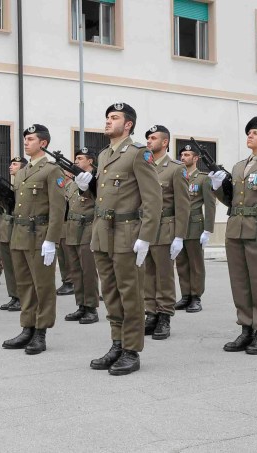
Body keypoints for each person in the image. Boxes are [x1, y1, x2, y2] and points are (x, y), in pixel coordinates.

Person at [75, 103, 161, 375]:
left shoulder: (138, 154)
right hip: (102, 232)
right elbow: (103, 196)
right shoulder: (103, 155)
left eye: (114, 118)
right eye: (107, 117)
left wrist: (146, 237)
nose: (108, 121)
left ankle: (131, 351)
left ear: (128, 125)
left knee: (130, 294)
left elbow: (153, 198)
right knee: (110, 293)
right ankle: (117, 343)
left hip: (127, 234)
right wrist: (85, 189)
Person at [209, 116, 257, 355]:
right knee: (240, 282)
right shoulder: (239, 166)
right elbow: (231, 201)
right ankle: (246, 328)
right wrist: (216, 187)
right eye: (249, 132)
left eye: (256, 133)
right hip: (236, 228)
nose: (250, 136)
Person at [0, 124, 66, 355]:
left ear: (43, 143)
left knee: (42, 286)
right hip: (20, 235)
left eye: (31, 139)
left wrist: (52, 240)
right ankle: (27, 327)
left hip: (40, 234)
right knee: (24, 285)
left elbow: (58, 208)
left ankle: (41, 332)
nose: (26, 142)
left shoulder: (52, 170)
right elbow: (13, 206)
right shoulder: (21, 172)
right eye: (25, 139)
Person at [142, 125, 189, 341]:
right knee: (146, 274)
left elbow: (183, 204)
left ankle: (164, 315)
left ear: (165, 142)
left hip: (165, 227)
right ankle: (150, 312)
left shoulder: (175, 168)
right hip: (144, 227)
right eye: (148, 138)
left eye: (153, 138)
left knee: (163, 274)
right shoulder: (143, 165)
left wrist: (179, 235)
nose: (149, 141)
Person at [174, 143, 216, 313]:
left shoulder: (203, 178)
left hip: (194, 225)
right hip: (178, 226)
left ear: (196, 158)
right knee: (181, 263)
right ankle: (185, 296)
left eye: (187, 155)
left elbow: (210, 204)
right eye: (182, 155)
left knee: (195, 264)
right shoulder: (177, 176)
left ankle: (196, 297)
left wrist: (208, 229)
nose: (183, 158)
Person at [63, 149, 100, 324]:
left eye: (80, 158)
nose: (76, 161)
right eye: (76, 158)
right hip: (72, 228)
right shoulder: (72, 183)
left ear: (90, 161)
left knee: (88, 270)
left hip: (89, 227)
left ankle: (91, 308)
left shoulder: (96, 180)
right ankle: (81, 305)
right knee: (76, 271)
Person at [0, 156, 26, 311]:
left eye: (14, 164)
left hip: (18, 228)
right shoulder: (13, 185)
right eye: (11, 164)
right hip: (7, 228)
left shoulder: (24, 185)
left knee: (18, 266)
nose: (10, 166)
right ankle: (14, 296)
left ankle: (22, 297)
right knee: (8, 266)